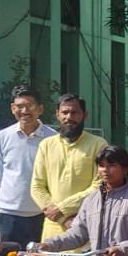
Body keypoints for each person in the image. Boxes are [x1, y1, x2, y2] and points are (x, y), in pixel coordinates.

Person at [29, 95, 109, 241]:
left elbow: (100, 186)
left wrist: (62, 208)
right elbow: (37, 186)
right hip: (52, 227)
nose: (69, 117)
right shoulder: (46, 145)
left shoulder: (98, 145)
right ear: (57, 114)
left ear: (84, 115)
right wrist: (62, 218)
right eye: (65, 112)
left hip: (84, 225)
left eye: (74, 113)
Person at [0, 85, 55, 248]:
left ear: (40, 109)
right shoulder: (2, 137)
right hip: (10, 213)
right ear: (13, 108)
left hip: (42, 213)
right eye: (19, 106)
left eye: (30, 106)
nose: (25, 111)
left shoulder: (53, 138)